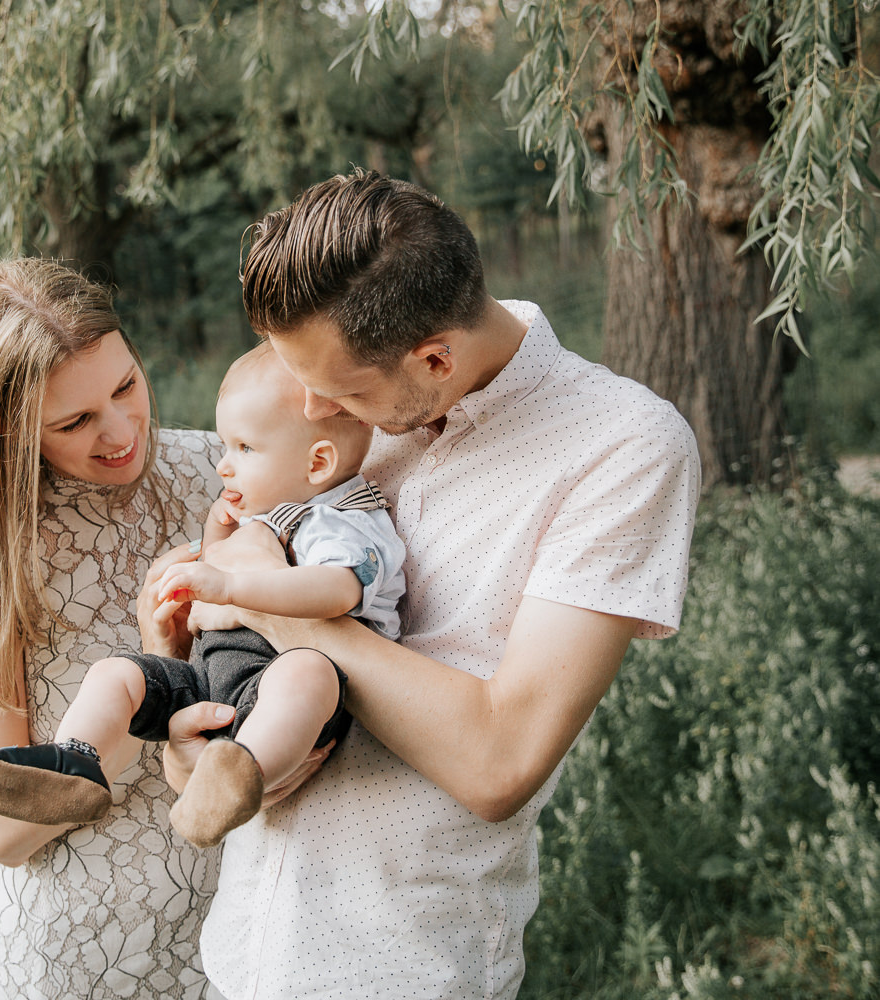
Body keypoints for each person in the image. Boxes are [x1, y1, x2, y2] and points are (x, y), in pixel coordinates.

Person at [147, 172, 701, 999]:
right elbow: (233, 643)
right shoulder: (351, 410)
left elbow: (499, 760)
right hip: (240, 955)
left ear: (434, 360)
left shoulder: (619, 448)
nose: (311, 410)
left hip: (401, 969)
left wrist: (264, 595)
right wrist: (189, 732)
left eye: (335, 391)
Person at [0, 258, 234, 999]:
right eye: (74, 421)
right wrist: (151, 673)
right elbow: (0, 831)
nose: (120, 432)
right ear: (6, 429)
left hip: (247, 931)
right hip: (86, 953)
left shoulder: (222, 475)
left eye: (125, 386)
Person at [0, 342, 407, 849]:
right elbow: (217, 582)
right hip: (209, 680)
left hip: (283, 688)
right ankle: (75, 760)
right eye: (223, 447)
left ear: (318, 462)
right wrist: (218, 543)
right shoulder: (268, 508)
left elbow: (336, 590)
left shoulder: (343, 519)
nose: (223, 467)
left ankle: (241, 770)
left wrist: (232, 586)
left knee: (307, 676)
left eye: (245, 449)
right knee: (116, 673)